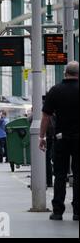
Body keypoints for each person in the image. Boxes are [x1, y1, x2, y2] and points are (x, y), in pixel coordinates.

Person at [39, 61, 79, 221]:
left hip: (61, 138)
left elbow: (45, 117)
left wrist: (41, 137)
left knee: (60, 174)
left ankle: (57, 211)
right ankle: (77, 212)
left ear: (65, 73)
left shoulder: (55, 91)